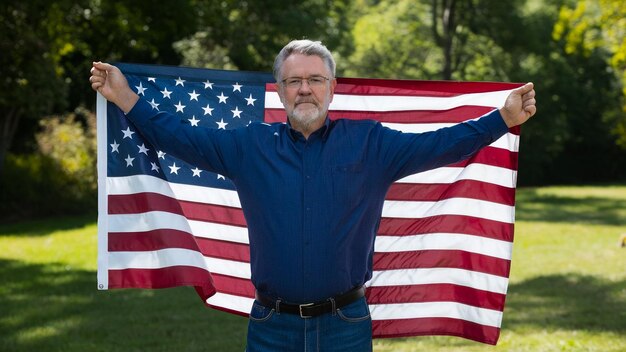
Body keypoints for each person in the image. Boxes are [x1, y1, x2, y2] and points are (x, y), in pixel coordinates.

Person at [90, 39, 536, 351]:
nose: (305, 88)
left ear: (332, 87)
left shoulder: (371, 144)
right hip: (270, 326)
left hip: (345, 324)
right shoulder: (249, 147)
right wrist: (127, 98)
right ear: (280, 91)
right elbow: (180, 136)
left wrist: (501, 118)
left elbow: (442, 144)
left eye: (316, 80)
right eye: (294, 81)